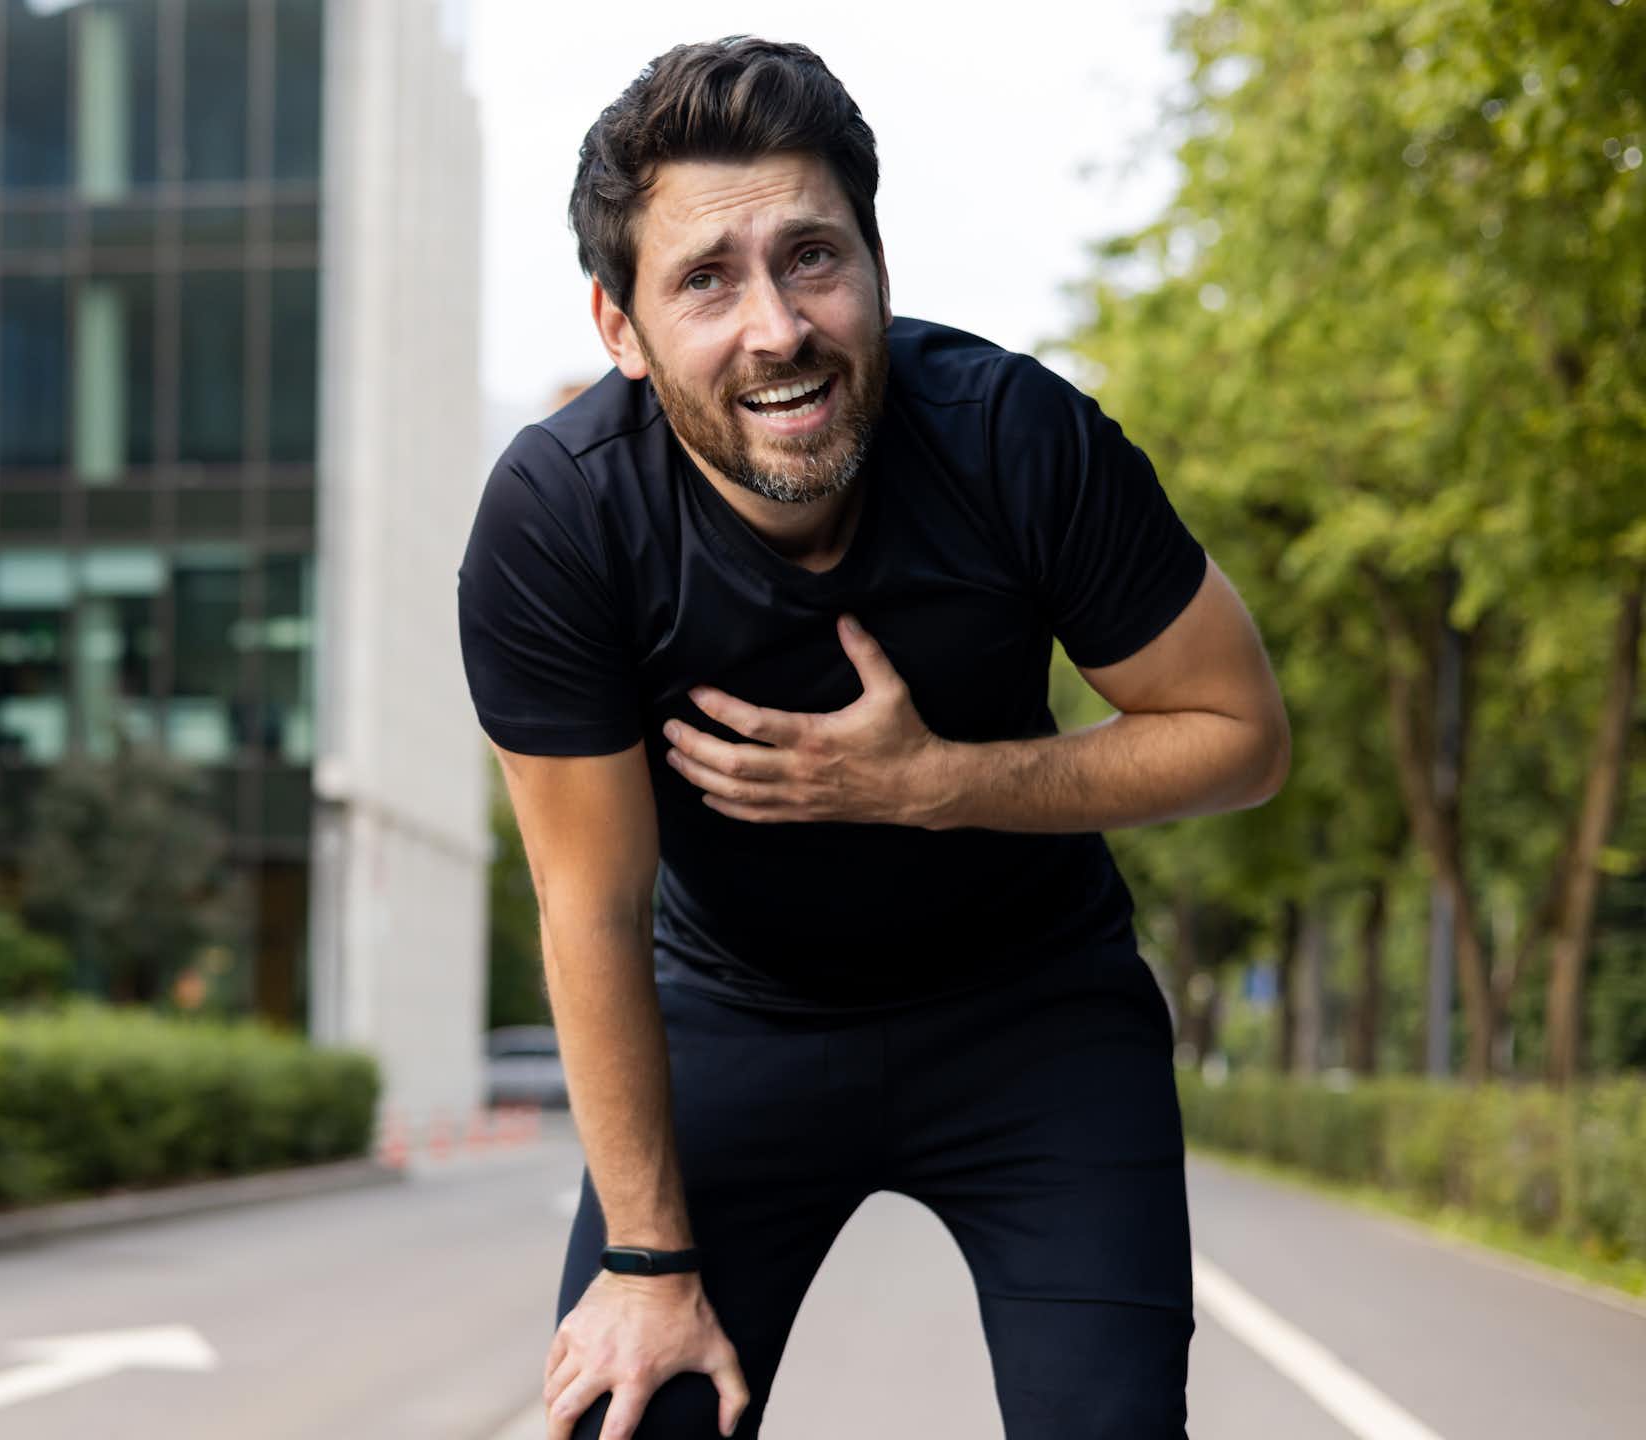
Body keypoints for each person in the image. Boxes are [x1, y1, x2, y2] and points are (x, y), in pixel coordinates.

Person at [455, 37, 1290, 1440]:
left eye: (812, 257)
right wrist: (647, 1263)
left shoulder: (1015, 438)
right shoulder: (561, 522)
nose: (778, 327)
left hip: (1036, 1013)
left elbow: (1239, 734)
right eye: (706, 280)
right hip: (731, 1018)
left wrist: (938, 786)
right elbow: (586, 901)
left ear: (880, 265)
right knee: (631, 1407)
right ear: (621, 328)